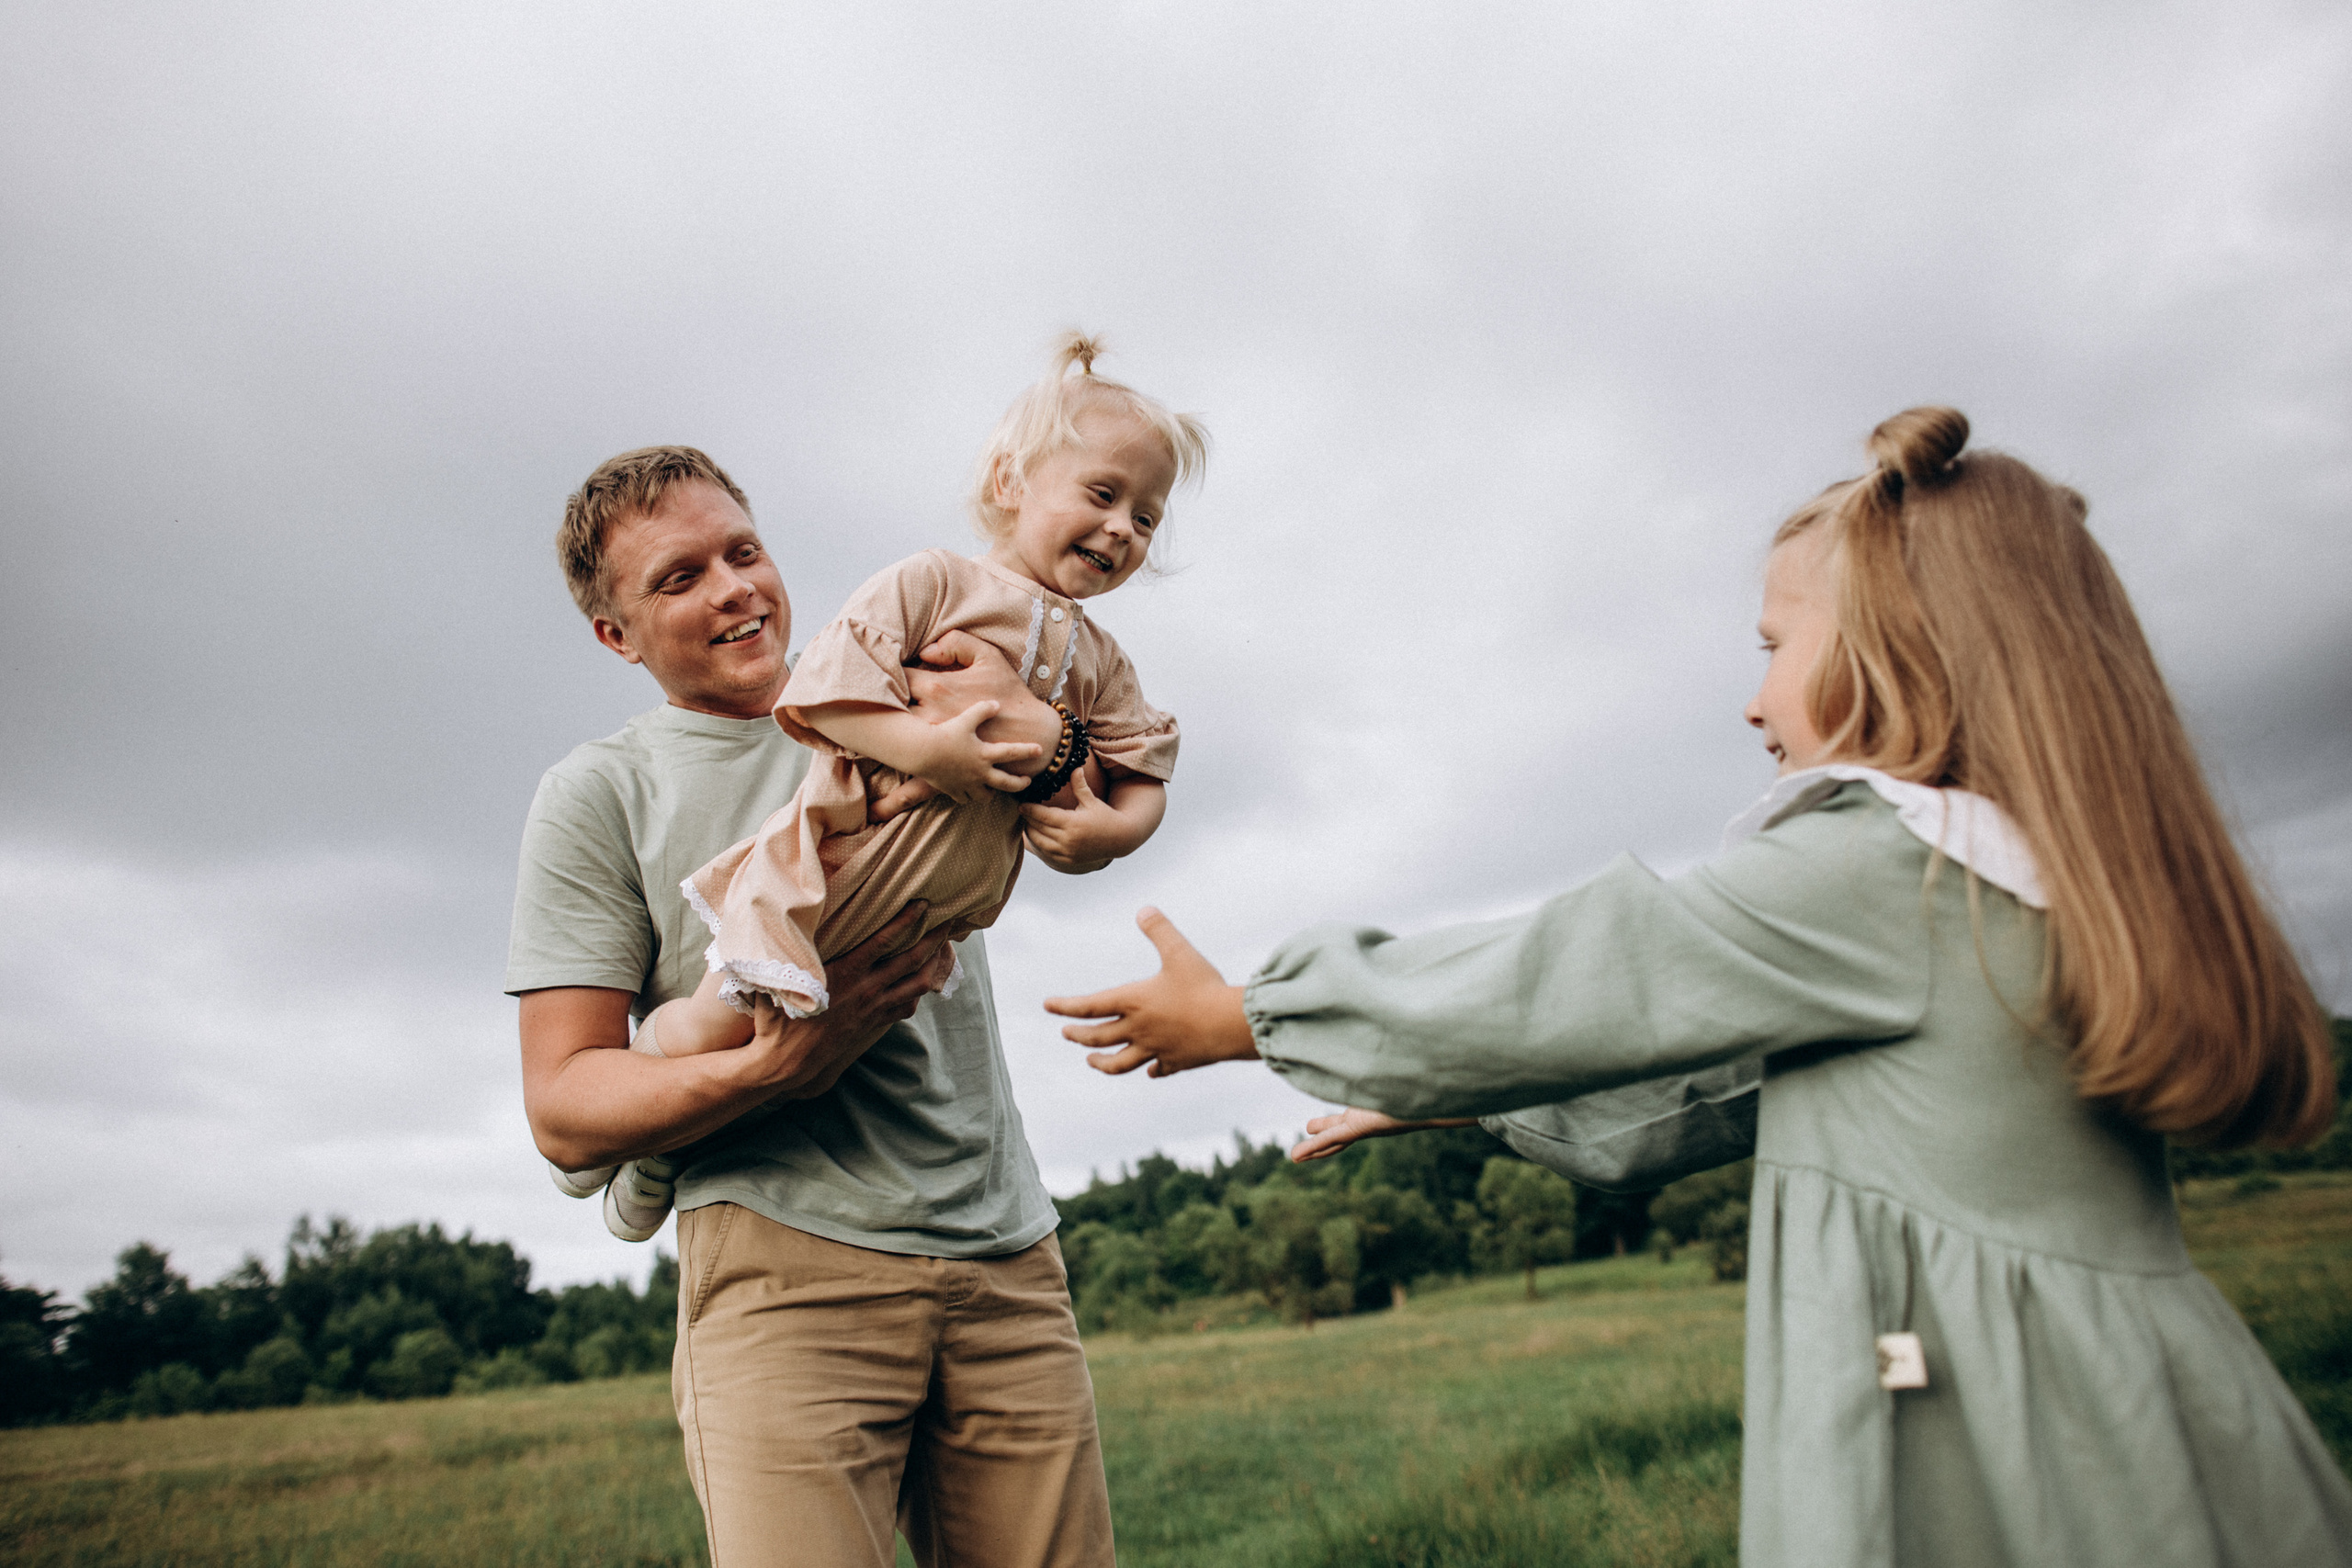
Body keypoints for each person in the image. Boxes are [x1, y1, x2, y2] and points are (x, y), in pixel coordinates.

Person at [1044, 409, 2352, 1567]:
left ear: (1900, 652)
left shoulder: (1881, 869)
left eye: (1774, 645)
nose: (1751, 699)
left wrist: (1254, 1012)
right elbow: (1699, 1091)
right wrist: (1462, 1100)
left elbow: (1590, 970)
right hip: (2150, 1415)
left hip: (2005, 1451)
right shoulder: (2017, 882)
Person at [509, 444, 1116, 1568]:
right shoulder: (600, 794)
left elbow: (1083, 753)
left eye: (742, 553)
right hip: (783, 1274)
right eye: (679, 578)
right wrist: (771, 1070)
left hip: (1004, 1257)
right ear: (615, 636)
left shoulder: (906, 685)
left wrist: (1069, 749)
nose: (732, 588)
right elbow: (562, 1105)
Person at [565, 334, 1205, 1243]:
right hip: (837, 876)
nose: (1121, 529)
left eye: (1146, 517)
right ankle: (653, 1152)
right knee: (724, 1029)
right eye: (1103, 496)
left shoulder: (1100, 660)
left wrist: (1115, 833)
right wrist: (929, 750)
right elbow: (823, 691)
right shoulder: (936, 583)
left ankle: (677, 1133)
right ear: (1009, 482)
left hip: (926, 913)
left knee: (870, 1020)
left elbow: (1139, 768)